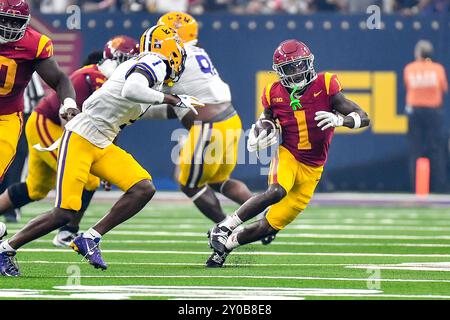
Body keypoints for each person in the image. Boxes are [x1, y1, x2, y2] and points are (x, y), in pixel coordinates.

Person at [0, 25, 203, 276]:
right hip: (82, 138)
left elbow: (134, 105)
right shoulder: (155, 60)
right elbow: (132, 90)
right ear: (171, 50)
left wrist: (177, 107)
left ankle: (91, 238)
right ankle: (6, 249)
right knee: (64, 213)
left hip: (102, 141)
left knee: (143, 187)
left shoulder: (150, 71)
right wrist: (174, 100)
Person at [206, 39, 370, 267]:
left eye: (300, 65)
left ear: (309, 63)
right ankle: (224, 226)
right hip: (290, 156)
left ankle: (226, 247)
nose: (296, 72)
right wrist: (260, 130)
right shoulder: (273, 92)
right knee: (276, 191)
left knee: (269, 225)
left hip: (313, 170)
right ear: (279, 72)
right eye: (289, 68)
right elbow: (267, 119)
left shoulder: (326, 84)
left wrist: (341, 119)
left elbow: (364, 117)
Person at [0, 36, 139, 247]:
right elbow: (68, 115)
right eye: (125, 59)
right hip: (50, 124)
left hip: (75, 131)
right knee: (89, 179)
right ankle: (68, 231)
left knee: (36, 188)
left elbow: (111, 125)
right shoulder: (90, 77)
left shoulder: (119, 84)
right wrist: (71, 147)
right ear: (112, 57)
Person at [143, 12, 262, 230]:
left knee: (188, 183)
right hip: (230, 120)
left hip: (210, 126)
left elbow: (149, 92)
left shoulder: (175, 55)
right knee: (219, 181)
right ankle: (262, 213)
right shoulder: (198, 52)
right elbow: (179, 104)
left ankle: (227, 228)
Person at [0, 0, 76, 187]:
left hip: (6, 116)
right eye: (5, 20)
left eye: (16, 22)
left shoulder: (34, 44)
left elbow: (59, 79)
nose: (10, 27)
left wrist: (69, 103)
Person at [404, 40, 448, 193]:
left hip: (415, 112)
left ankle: (417, 188)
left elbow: (408, 84)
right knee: (436, 150)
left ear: (418, 54)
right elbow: (444, 88)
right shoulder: (438, 69)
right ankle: (440, 188)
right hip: (433, 113)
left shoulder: (410, 68)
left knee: (415, 150)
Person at [0, 72, 44, 223]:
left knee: (16, 165)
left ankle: (11, 209)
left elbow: (38, 96)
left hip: (21, 118)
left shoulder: (25, 64)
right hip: (6, 117)